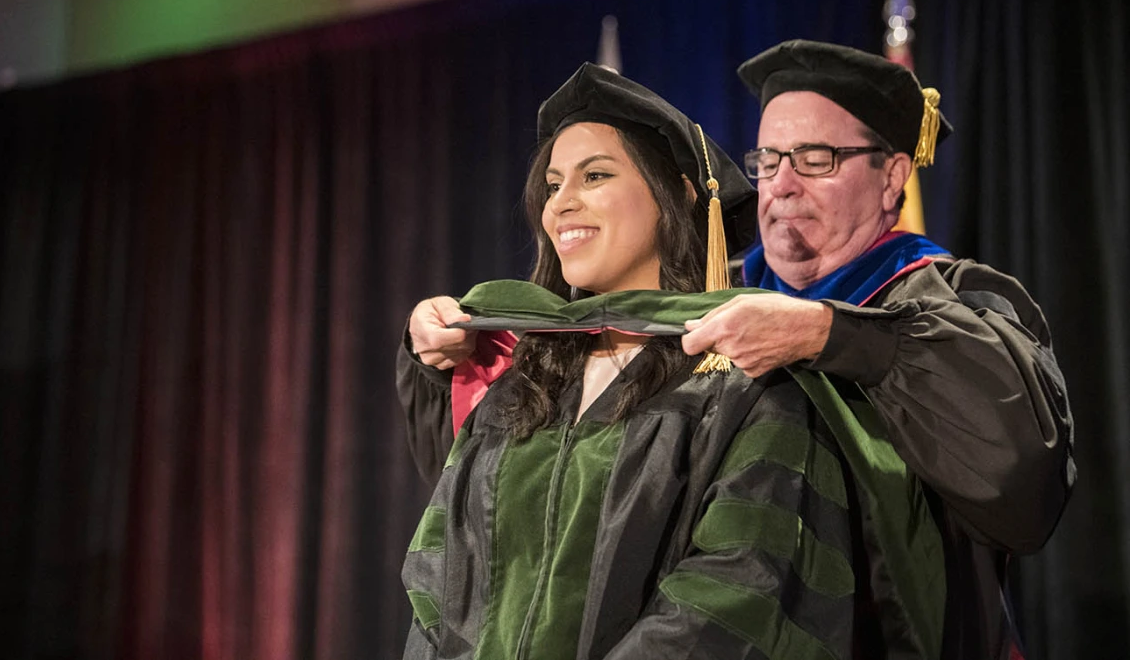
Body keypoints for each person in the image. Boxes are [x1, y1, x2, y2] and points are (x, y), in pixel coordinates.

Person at [398, 63, 947, 659]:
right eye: (553, 185)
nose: (561, 205)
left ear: (679, 194)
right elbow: (437, 584)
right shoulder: (521, 388)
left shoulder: (743, 384)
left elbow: (738, 596)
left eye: (596, 175)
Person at [674, 39, 1074, 659]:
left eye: (815, 158)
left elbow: (1023, 473)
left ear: (892, 177)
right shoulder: (716, 297)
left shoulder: (953, 298)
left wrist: (826, 334)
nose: (779, 185)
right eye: (769, 158)